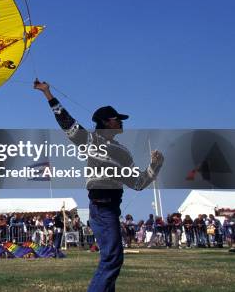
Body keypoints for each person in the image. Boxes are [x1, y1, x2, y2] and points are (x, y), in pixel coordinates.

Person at [34, 79, 164, 292]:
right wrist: (47, 93)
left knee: (110, 258)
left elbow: (138, 183)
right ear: (105, 122)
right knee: (113, 258)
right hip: (101, 207)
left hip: (111, 209)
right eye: (116, 119)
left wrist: (155, 166)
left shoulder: (123, 152)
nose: (121, 122)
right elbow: (66, 122)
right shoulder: (90, 140)